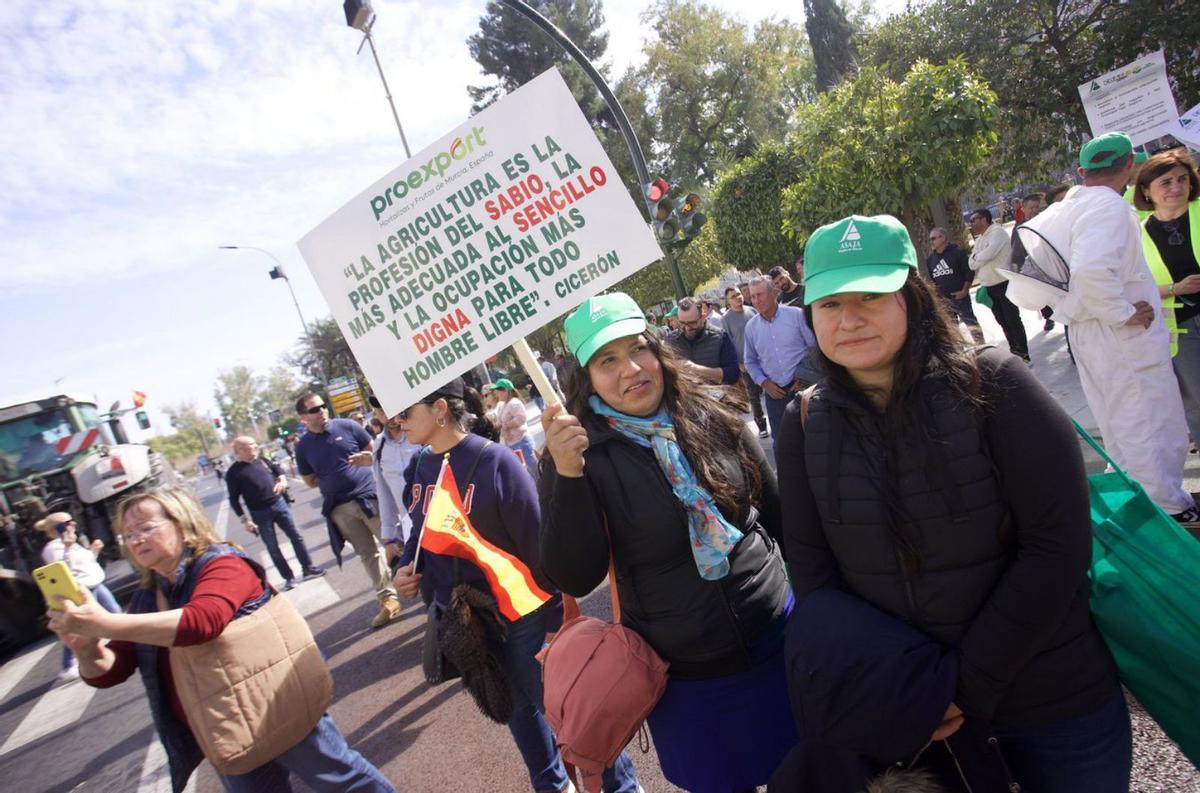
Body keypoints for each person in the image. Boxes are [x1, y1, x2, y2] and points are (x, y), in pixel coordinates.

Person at [778, 213, 1129, 792]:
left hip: (1054, 704)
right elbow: (816, 579)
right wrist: (908, 693)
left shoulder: (997, 382)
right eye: (830, 304)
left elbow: (1057, 546)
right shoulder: (804, 422)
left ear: (913, 299)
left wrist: (962, 686)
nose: (850, 318)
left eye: (872, 295)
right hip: (920, 722)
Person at [540, 292, 795, 793]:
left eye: (639, 350)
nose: (631, 369)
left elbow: (779, 513)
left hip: (782, 643)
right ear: (584, 377)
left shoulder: (710, 412)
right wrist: (568, 477)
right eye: (607, 360)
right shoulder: (572, 453)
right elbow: (573, 575)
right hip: (690, 681)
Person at [47, 488, 395, 792]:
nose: (136, 539)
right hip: (222, 726)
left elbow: (203, 622)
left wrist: (105, 623)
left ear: (182, 524)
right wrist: (87, 647)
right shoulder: (147, 597)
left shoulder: (223, 564)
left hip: (272, 705)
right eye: (128, 534)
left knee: (343, 781)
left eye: (146, 527)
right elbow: (111, 671)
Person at [390, 378, 641, 793]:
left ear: (438, 409)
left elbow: (539, 543)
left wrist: (558, 622)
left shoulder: (496, 461)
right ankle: (553, 786)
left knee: (571, 715)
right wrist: (405, 568)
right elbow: (420, 532)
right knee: (517, 714)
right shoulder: (419, 466)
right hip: (469, 623)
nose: (398, 422)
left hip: (524, 616)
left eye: (405, 412)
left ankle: (621, 786)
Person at [1050, 132, 1197, 523]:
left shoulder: (1070, 206)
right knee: (1149, 419)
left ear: (1082, 171)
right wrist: (1123, 312)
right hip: (1117, 332)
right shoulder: (1107, 207)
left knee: (1120, 421)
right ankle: (1168, 508)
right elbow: (1092, 269)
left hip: (1090, 330)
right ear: (1130, 167)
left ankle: (1142, 500)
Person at [294, 392, 403, 629]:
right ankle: (388, 600)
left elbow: (375, 451)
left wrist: (368, 459)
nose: (322, 411)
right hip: (340, 508)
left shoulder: (347, 426)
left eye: (323, 406)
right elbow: (309, 480)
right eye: (314, 409)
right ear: (304, 417)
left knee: (395, 542)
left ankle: (424, 585)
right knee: (368, 554)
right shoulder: (302, 448)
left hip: (370, 498)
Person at [1134, 150, 1200, 452]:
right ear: (1147, 191)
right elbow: (1137, 287)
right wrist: (1175, 288)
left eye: (1182, 179)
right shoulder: (1137, 233)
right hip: (1181, 329)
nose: (1176, 187)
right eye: (1166, 181)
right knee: (1196, 403)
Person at [226, 436, 322, 591]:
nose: (255, 447)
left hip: (279, 504)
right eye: (252, 445)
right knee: (272, 546)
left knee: (296, 536)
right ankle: (288, 577)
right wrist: (245, 520)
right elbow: (234, 499)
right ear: (240, 450)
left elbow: (279, 472)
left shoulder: (263, 460)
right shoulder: (233, 472)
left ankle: (308, 567)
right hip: (259, 513)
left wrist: (282, 482)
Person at [37, 512, 120, 681]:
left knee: (115, 612)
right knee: (78, 628)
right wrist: (67, 547)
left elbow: (86, 562)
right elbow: (61, 570)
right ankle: (68, 666)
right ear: (56, 529)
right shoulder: (52, 548)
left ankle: (124, 644)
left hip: (94, 583)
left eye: (72, 522)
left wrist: (95, 551)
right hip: (82, 588)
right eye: (66, 523)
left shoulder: (73, 542)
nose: (72, 525)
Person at [745, 275, 820, 441]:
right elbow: (750, 361)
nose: (756, 300)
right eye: (753, 296)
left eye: (760, 294)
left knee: (814, 440)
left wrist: (804, 376)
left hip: (804, 389)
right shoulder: (751, 328)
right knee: (782, 445)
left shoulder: (796, 315)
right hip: (774, 395)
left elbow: (814, 347)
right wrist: (765, 383)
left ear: (774, 293)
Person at [367, 395, 421, 568]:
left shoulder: (420, 434)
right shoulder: (379, 446)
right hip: (411, 529)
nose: (388, 414)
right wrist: (389, 539)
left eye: (390, 406)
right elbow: (384, 495)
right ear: (376, 413)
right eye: (381, 410)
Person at [968, 208, 1029, 361]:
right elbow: (971, 264)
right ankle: (1015, 352)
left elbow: (990, 253)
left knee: (1012, 320)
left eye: (974, 219)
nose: (972, 223)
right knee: (1002, 321)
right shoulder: (980, 239)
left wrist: (978, 258)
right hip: (990, 287)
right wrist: (978, 258)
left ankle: (1024, 354)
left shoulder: (997, 232)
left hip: (1004, 284)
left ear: (984, 219)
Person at [721, 285, 768, 437]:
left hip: (764, 359)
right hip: (746, 364)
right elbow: (727, 344)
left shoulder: (752, 311)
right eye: (733, 296)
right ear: (728, 301)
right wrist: (738, 363)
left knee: (770, 389)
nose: (738, 297)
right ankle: (761, 425)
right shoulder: (726, 319)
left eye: (739, 294)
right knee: (753, 395)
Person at [926, 227, 985, 343]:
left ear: (942, 238)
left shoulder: (957, 253)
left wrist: (964, 290)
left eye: (933, 238)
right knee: (951, 329)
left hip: (960, 297)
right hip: (944, 301)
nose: (931, 241)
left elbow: (968, 272)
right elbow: (933, 279)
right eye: (930, 239)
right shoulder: (930, 259)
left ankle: (982, 347)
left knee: (971, 323)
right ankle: (960, 352)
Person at [664, 297, 740, 386]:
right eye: (682, 323)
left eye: (692, 323)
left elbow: (733, 374)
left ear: (703, 317)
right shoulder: (671, 341)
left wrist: (698, 370)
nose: (687, 328)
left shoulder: (720, 337)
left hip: (716, 398)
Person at [492, 379, 539, 479]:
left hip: (522, 441)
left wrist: (506, 425)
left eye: (500, 390)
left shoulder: (514, 403)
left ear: (507, 391)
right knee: (524, 473)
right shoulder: (502, 405)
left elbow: (521, 418)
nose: (497, 393)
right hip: (512, 444)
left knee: (533, 470)